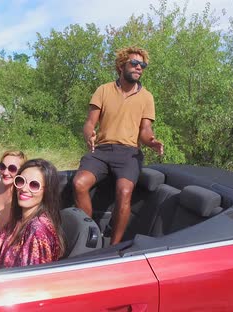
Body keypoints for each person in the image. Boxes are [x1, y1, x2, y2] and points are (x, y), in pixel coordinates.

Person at [72, 46, 164, 245]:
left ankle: (113, 247)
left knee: (123, 191)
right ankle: (90, 234)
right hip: (101, 151)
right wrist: (89, 134)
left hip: (128, 153)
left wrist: (151, 141)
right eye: (134, 63)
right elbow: (89, 123)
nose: (139, 67)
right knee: (79, 184)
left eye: (143, 65)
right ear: (121, 66)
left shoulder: (146, 97)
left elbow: (145, 130)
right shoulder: (103, 90)